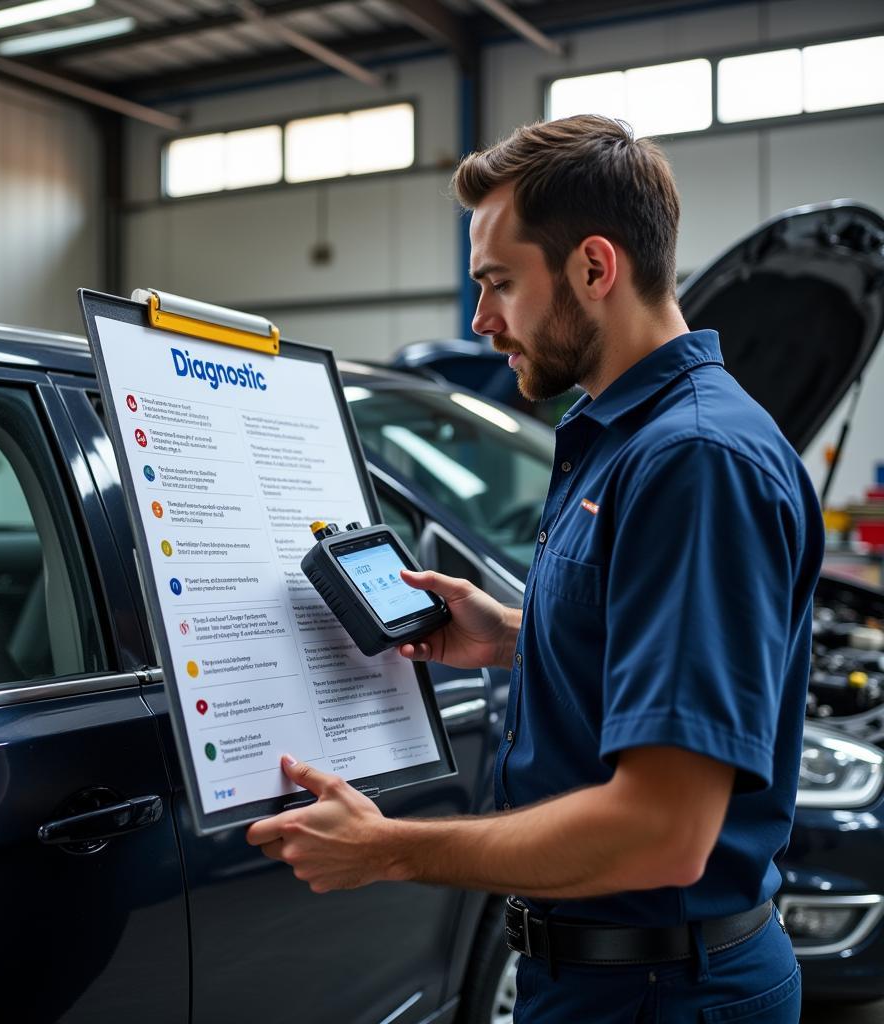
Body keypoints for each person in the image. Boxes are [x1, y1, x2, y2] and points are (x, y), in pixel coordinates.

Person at [246, 115, 823, 1022]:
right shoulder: (615, 438)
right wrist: (519, 635)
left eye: (499, 284)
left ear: (595, 268)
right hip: (605, 979)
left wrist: (387, 849)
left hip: (663, 995)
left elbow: (664, 832)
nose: (481, 322)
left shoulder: (694, 461)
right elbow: (648, 638)